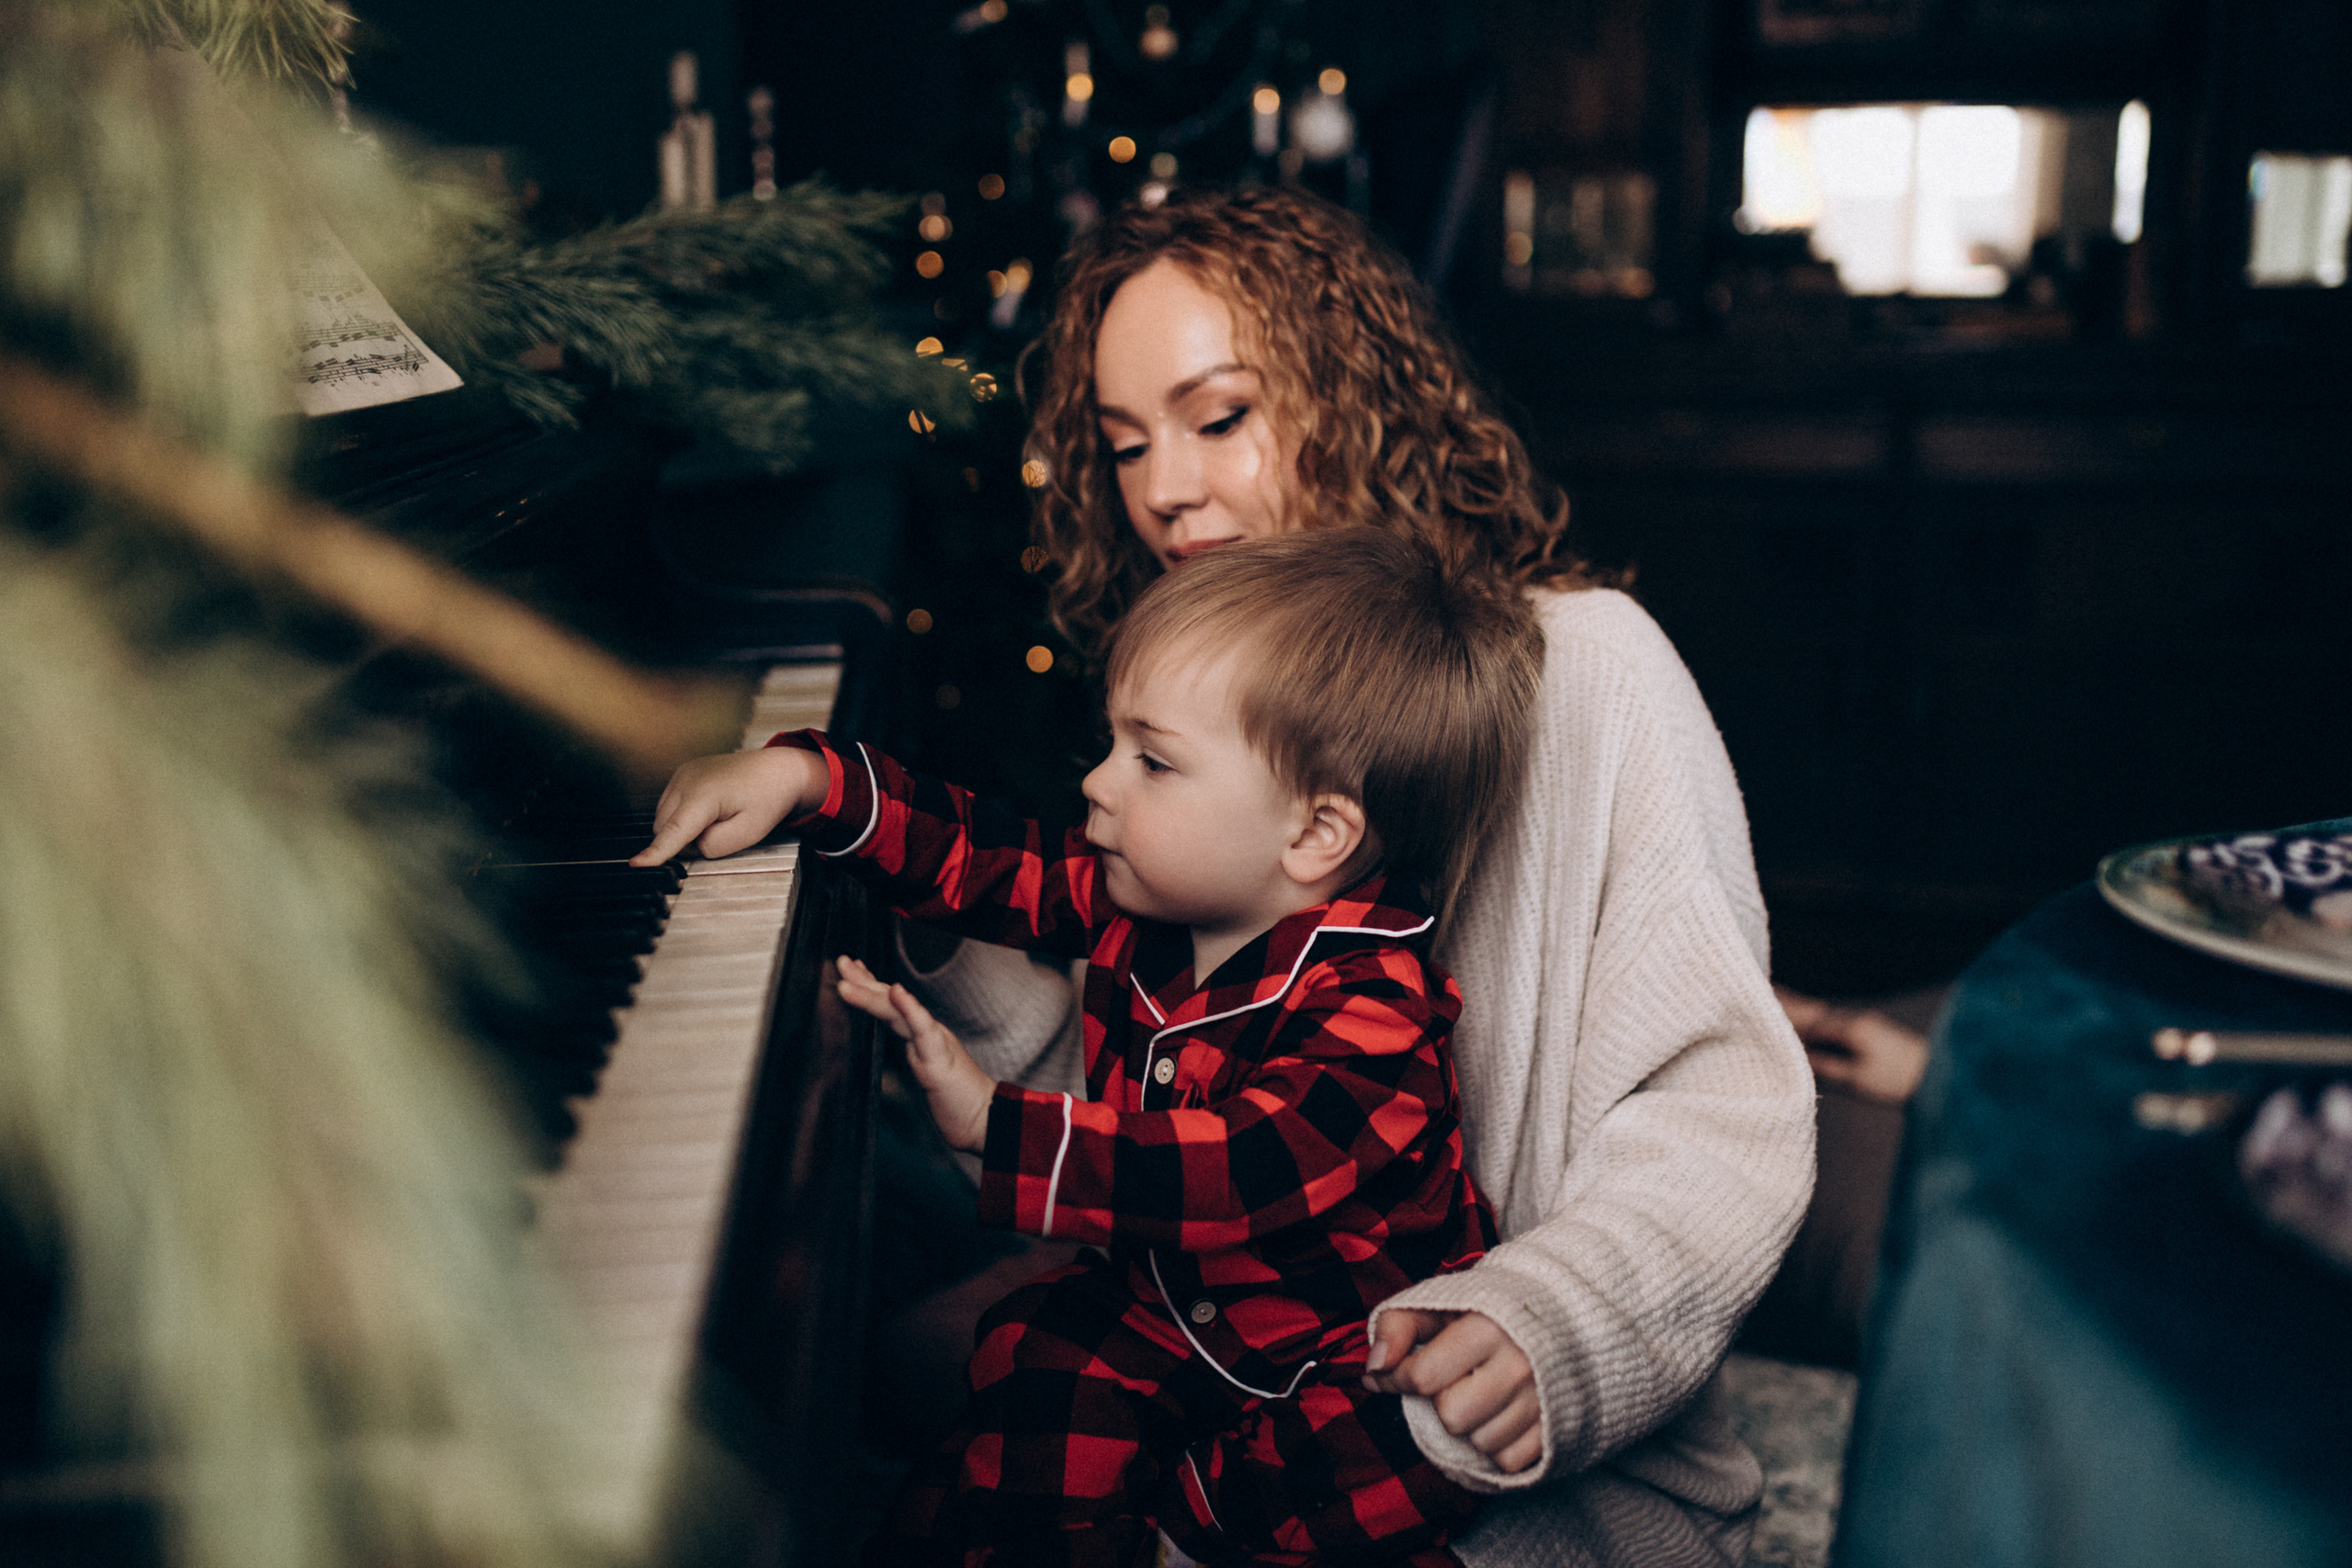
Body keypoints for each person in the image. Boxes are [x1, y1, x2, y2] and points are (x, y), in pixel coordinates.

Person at [637, 532, 1544, 1564]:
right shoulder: (1156, 895)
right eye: (1113, 744)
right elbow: (996, 862)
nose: (1099, 785)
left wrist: (1001, 1130)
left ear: (1314, 835)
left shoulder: (1377, 1009)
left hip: (1328, 1359)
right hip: (1168, 1310)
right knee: (1032, 1386)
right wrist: (818, 782)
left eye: (1152, 761)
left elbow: (1232, 1170)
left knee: (1364, 1470)